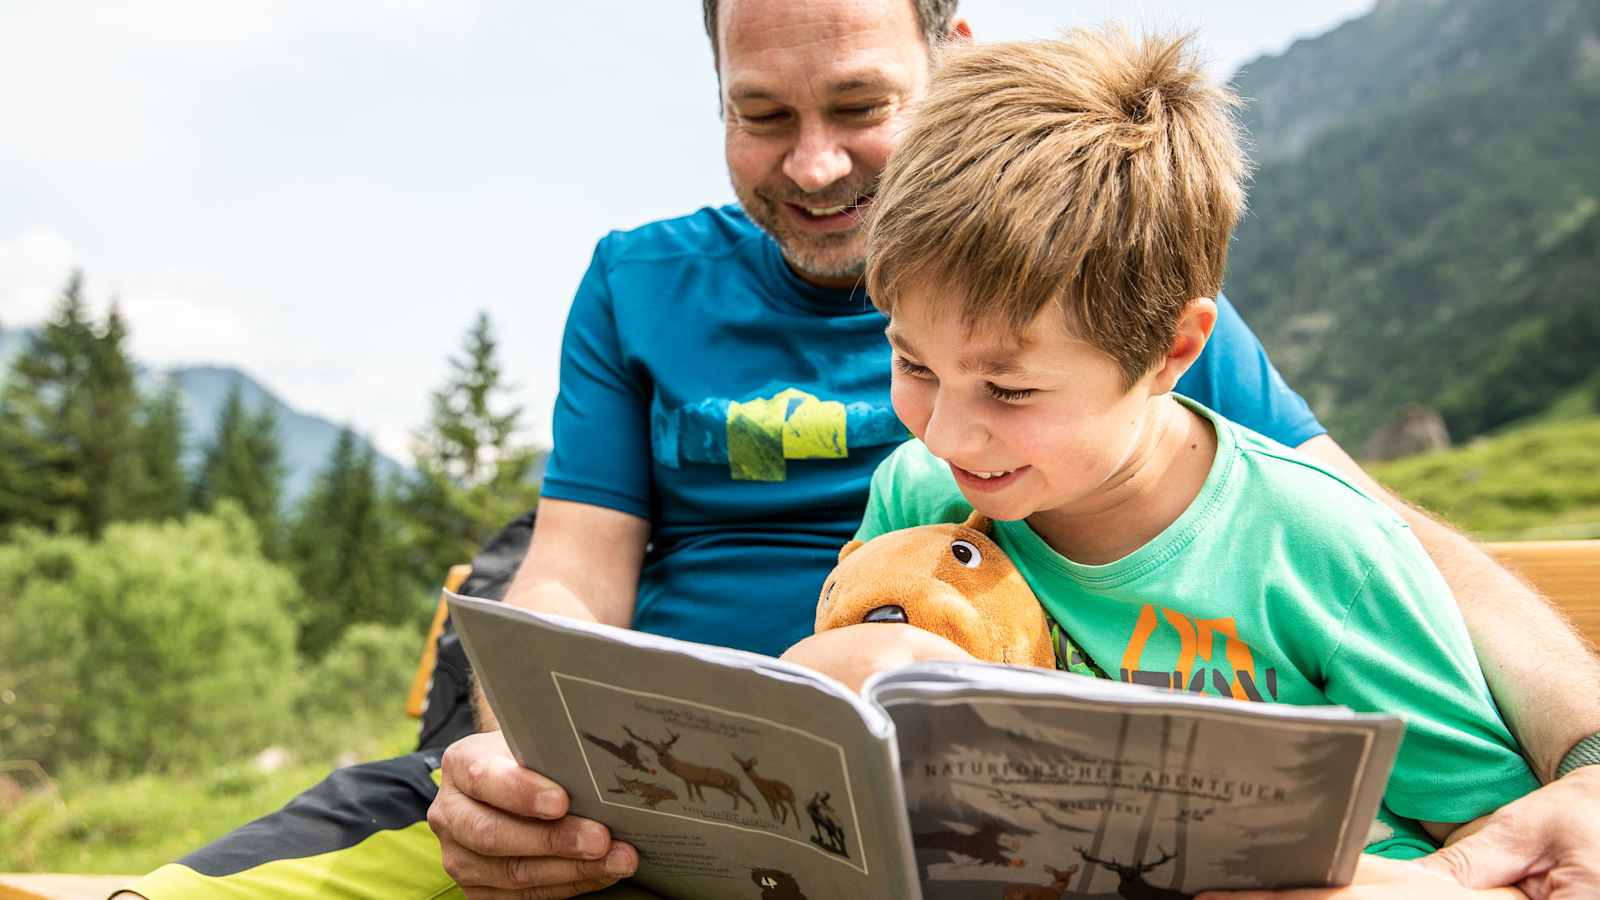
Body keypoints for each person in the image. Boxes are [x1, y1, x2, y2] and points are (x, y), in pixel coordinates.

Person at [116, 1, 1600, 898]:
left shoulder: (1108, 292)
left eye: (859, 107)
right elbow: (572, 572)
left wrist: (1592, 755)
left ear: (951, 58)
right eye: (762, 113)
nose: (814, 163)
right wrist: (514, 738)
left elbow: (1379, 546)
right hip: (644, 781)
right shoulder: (640, 283)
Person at [788, 23, 1537, 868]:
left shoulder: (1322, 551)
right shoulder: (916, 496)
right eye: (913, 362)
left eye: (1010, 389)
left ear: (1172, 351)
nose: (948, 433)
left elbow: (1491, 838)